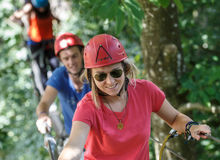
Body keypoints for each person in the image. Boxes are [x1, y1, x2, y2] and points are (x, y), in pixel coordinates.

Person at [58, 34, 211, 160]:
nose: (110, 81)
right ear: (91, 78)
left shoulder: (145, 91)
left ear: (125, 69)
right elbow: (74, 148)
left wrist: (192, 126)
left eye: (116, 73)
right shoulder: (87, 107)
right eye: (101, 76)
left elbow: (174, 118)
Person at [36, 33, 90, 136]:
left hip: (100, 135)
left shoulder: (95, 73)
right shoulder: (59, 75)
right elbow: (44, 103)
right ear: (60, 59)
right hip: (76, 138)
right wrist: (42, 115)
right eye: (66, 58)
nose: (71, 62)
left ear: (82, 53)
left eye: (74, 56)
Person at [10, 0, 60, 95]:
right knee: (42, 69)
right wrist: (20, 17)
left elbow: (55, 19)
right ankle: (47, 94)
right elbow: (14, 18)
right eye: (39, 8)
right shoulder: (30, 9)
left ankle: (59, 88)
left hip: (49, 43)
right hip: (36, 45)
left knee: (55, 65)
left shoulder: (48, 11)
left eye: (43, 8)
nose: (41, 9)